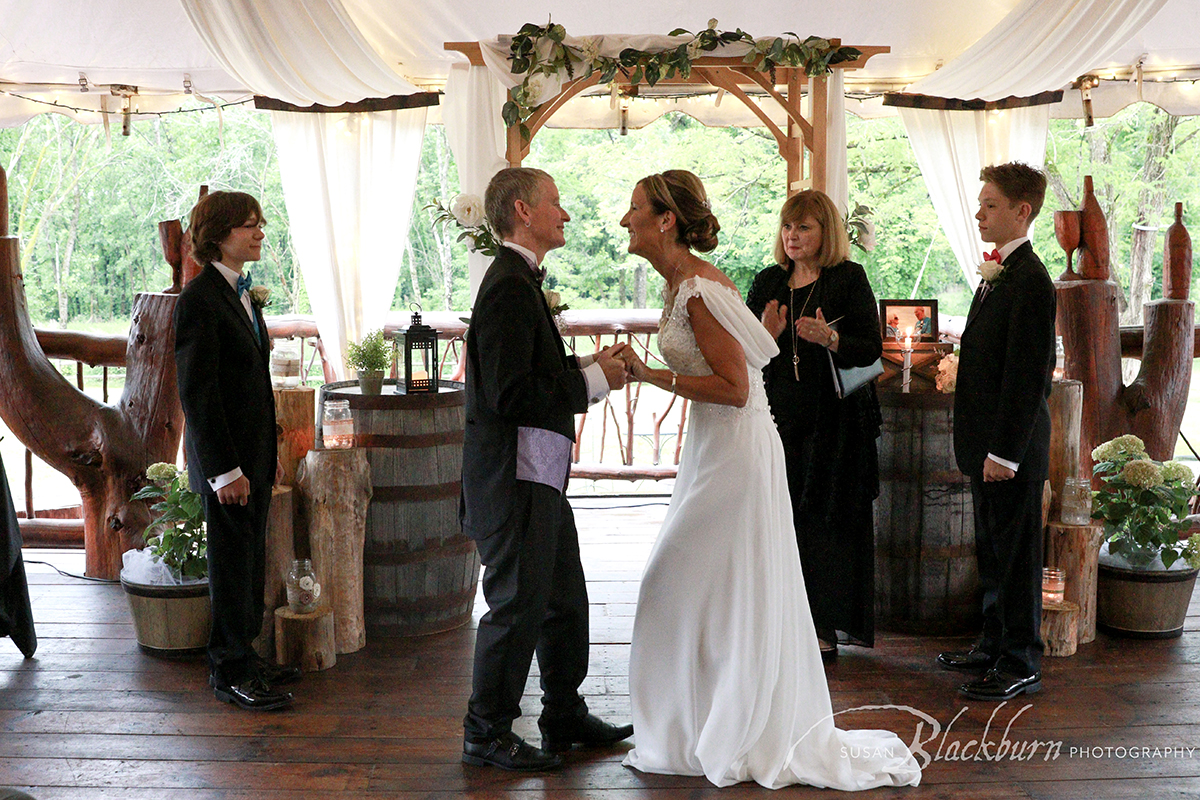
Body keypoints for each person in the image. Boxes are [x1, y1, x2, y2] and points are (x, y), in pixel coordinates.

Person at [616, 171, 920, 790]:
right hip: (714, 445)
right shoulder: (688, 284)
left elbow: (735, 387)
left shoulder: (701, 289)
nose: (625, 220)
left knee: (674, 582)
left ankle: (736, 723)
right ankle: (703, 721)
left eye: (634, 208)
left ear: (666, 221)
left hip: (737, 450)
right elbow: (759, 352)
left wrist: (649, 375)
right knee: (713, 590)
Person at [459, 167, 633, 771]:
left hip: (541, 475)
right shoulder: (508, 286)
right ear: (522, 211)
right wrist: (592, 381)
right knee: (515, 607)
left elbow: (528, 372)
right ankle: (485, 732)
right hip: (514, 479)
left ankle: (562, 711)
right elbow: (509, 393)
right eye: (555, 202)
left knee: (563, 597)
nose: (565, 213)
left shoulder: (521, 281)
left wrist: (584, 365)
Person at [174, 191, 299, 711]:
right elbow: (198, 393)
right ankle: (228, 672)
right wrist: (225, 471)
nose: (259, 233)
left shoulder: (242, 293)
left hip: (254, 456)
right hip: (227, 466)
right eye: (249, 225)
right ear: (220, 235)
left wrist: (265, 453)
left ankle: (246, 657)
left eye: (259, 224)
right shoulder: (199, 299)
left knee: (250, 563)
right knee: (230, 567)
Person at [745, 189, 884, 659]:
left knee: (826, 528)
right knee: (781, 521)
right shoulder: (768, 281)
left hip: (835, 426)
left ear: (826, 232)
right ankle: (780, 623)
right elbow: (745, 350)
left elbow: (870, 349)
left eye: (803, 227)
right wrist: (766, 334)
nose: (792, 235)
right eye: (787, 226)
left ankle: (823, 627)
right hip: (777, 420)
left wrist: (831, 338)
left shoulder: (847, 278)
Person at [937, 162, 1055, 701]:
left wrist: (1005, 454)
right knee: (991, 552)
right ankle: (992, 644)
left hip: (1012, 452)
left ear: (1021, 211)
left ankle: (1021, 660)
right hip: (986, 443)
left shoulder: (1030, 279)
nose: (979, 213)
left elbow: (1028, 376)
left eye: (990, 205)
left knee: (1016, 558)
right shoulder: (1001, 271)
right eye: (980, 204)